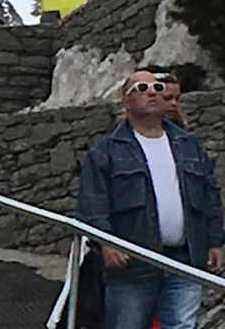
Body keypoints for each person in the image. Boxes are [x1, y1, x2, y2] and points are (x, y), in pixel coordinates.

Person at [77, 69, 224, 329]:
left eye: (157, 88)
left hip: (185, 259)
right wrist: (106, 243)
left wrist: (215, 241)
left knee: (181, 325)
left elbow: (209, 194)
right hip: (133, 262)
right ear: (126, 101)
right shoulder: (106, 151)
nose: (153, 93)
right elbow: (93, 202)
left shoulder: (189, 144)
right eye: (142, 89)